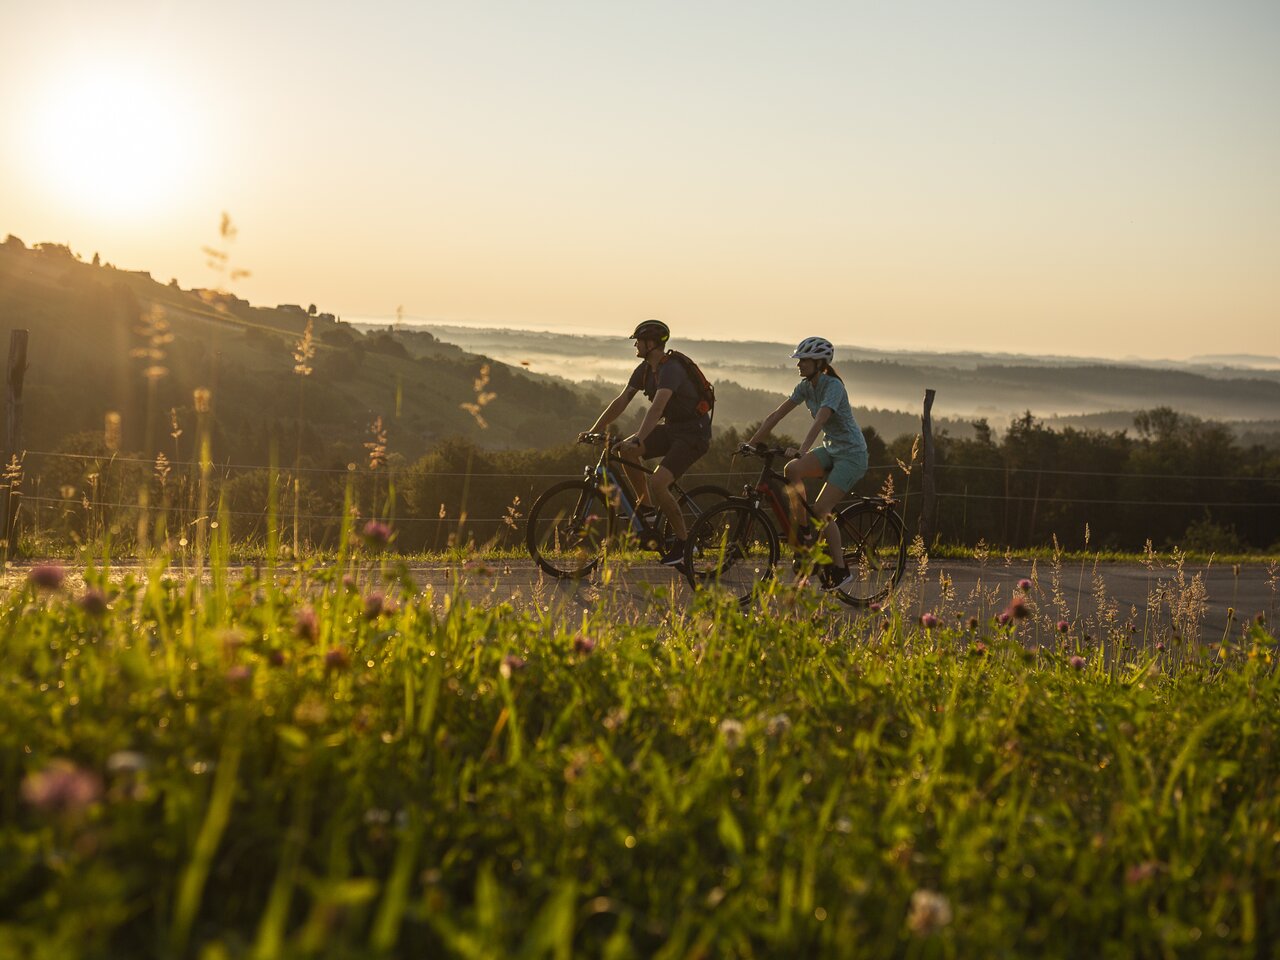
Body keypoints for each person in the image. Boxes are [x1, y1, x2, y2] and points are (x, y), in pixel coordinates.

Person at [582, 319, 713, 567]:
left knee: (658, 481)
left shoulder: (671, 369)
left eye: (638, 341)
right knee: (626, 453)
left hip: (693, 434)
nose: (635, 346)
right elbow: (621, 401)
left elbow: (657, 408)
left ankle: (685, 543)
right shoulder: (643, 371)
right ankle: (649, 511)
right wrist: (593, 430)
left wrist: (639, 437)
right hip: (673, 429)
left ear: (651, 344)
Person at [746, 336, 868, 589]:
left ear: (819, 363)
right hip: (833, 449)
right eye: (799, 360)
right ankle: (805, 532)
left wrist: (802, 449)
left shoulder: (833, 386)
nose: (799, 365)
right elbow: (777, 414)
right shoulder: (805, 387)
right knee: (792, 469)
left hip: (852, 455)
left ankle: (841, 569)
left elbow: (821, 420)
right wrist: (752, 442)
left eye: (803, 360)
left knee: (822, 510)